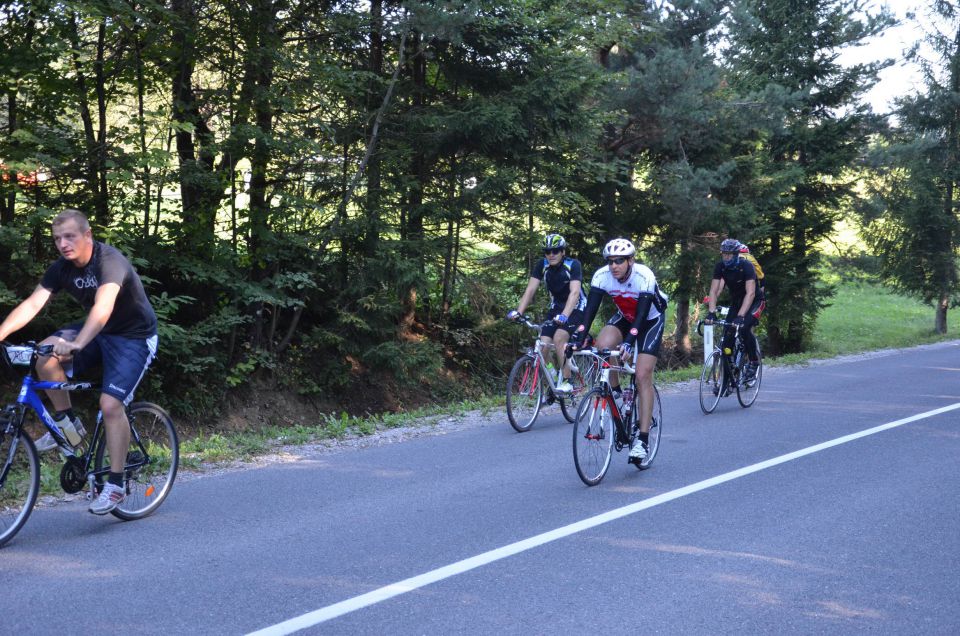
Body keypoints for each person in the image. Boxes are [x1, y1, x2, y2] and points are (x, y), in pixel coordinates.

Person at [0, 209, 158, 515]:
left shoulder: (109, 261)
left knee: (111, 405)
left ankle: (115, 484)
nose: (62, 243)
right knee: (44, 353)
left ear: (87, 235)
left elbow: (103, 308)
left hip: (133, 337)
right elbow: (33, 303)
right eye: (57, 238)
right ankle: (68, 424)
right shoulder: (62, 268)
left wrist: (77, 344)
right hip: (98, 332)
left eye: (69, 236)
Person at [571, 238, 667, 464]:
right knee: (603, 347)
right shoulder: (601, 276)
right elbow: (588, 314)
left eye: (620, 261)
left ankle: (642, 440)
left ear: (631, 260)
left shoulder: (644, 276)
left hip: (649, 320)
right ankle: (614, 392)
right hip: (626, 317)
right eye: (610, 261)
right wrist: (578, 338)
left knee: (642, 374)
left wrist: (627, 342)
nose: (614, 266)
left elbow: (642, 315)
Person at [507, 234, 587, 394]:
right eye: (548, 251)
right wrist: (519, 312)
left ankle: (567, 380)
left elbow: (575, 293)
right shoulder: (542, 265)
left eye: (555, 251)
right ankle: (553, 378)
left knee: (559, 338)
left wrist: (564, 316)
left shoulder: (573, 265)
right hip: (556, 308)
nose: (551, 254)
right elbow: (530, 290)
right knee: (543, 346)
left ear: (562, 251)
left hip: (577, 307)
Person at [704, 238, 764, 383]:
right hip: (737, 303)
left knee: (743, 328)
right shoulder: (721, 267)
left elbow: (750, 293)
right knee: (728, 336)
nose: (726, 257)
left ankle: (753, 362)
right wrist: (711, 312)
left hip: (755, 301)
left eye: (729, 254)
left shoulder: (746, 266)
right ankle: (730, 366)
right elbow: (713, 290)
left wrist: (740, 316)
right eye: (724, 254)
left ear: (736, 254)